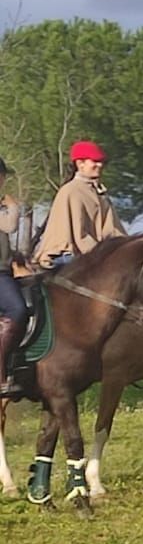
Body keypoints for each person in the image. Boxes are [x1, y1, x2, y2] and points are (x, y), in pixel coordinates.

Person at [34, 140, 125, 268]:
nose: (100, 165)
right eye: (95, 161)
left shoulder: (101, 194)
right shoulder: (71, 191)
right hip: (64, 255)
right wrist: (101, 255)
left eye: (101, 162)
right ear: (80, 163)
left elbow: (113, 230)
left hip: (91, 253)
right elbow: (80, 236)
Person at [0, 158, 27, 398]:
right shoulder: (4, 208)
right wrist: (14, 207)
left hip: (5, 271)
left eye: (2, 175)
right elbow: (9, 226)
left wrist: (15, 256)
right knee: (17, 309)